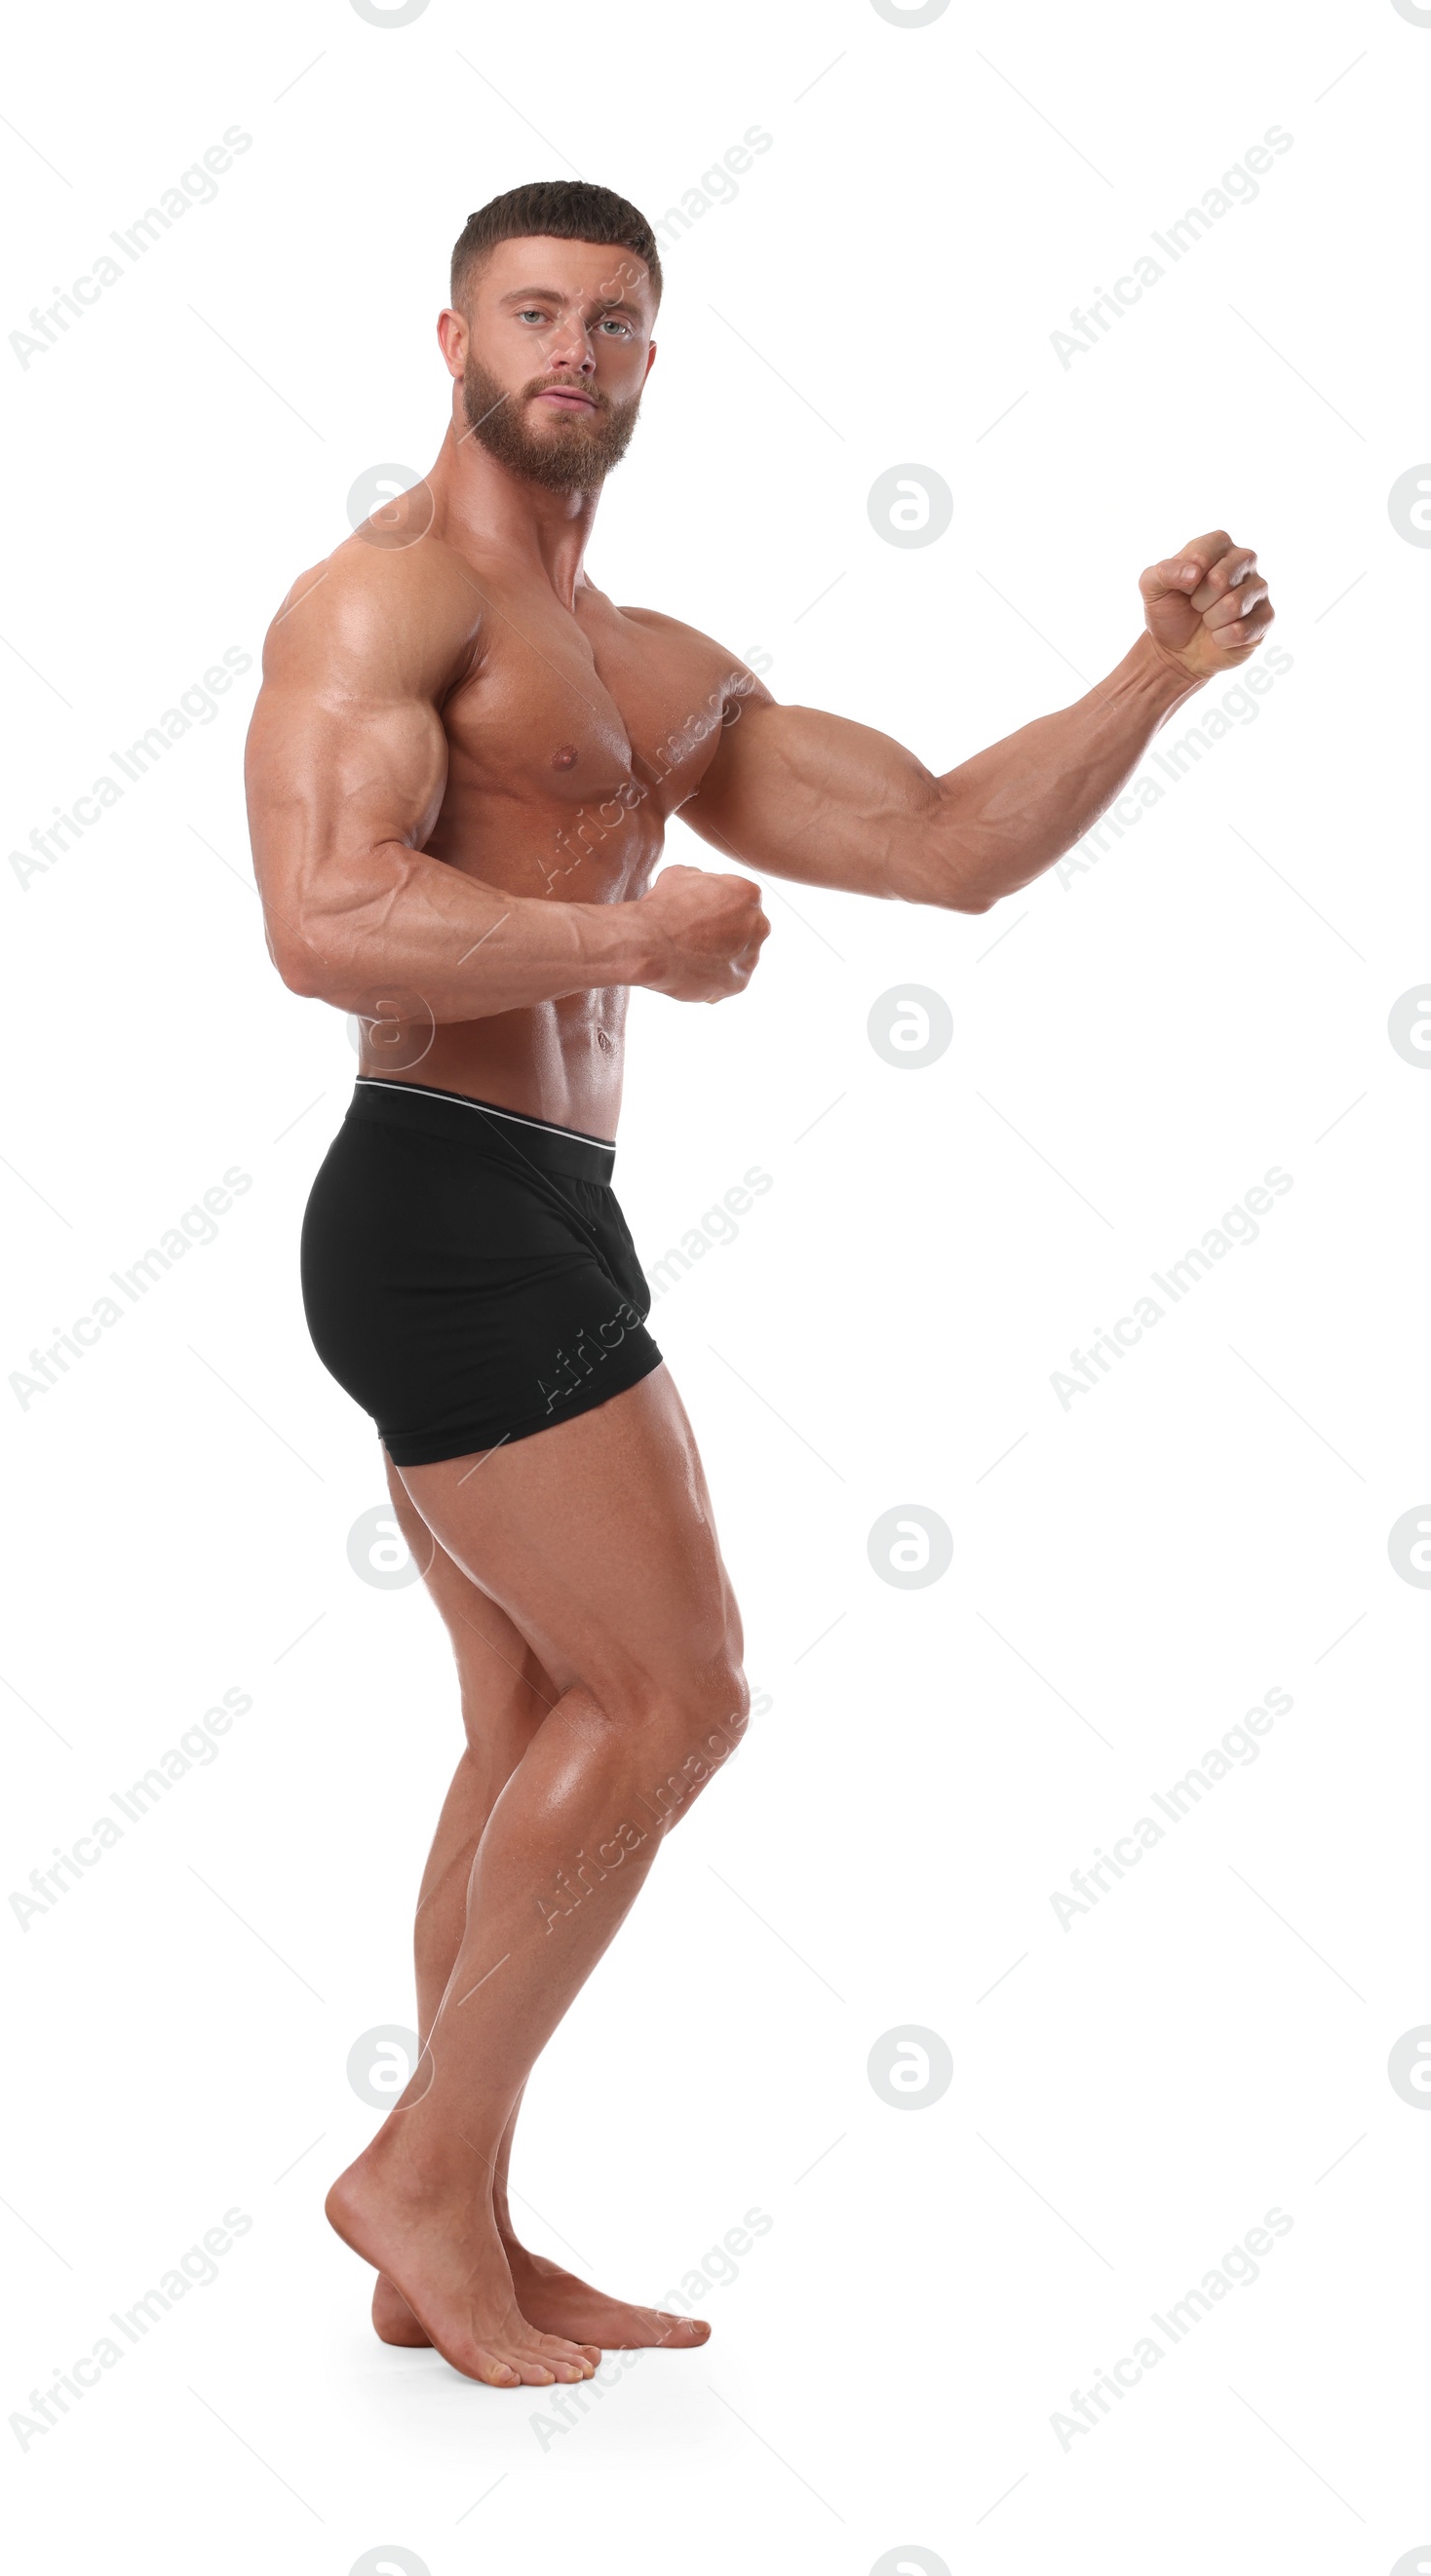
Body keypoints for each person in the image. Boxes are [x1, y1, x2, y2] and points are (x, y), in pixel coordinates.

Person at [244, 178, 1275, 2393]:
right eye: (533, 312)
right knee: (679, 1687)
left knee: (540, 1717)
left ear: (646, 362)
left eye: (613, 322)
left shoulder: (652, 670)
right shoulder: (378, 602)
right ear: (446, 337)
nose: (571, 352)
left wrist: (1151, 673)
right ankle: (420, 2175)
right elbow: (323, 917)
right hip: (432, 1192)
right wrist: (627, 936)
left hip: (542, 1202)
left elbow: (936, 843)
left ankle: (460, 2239)